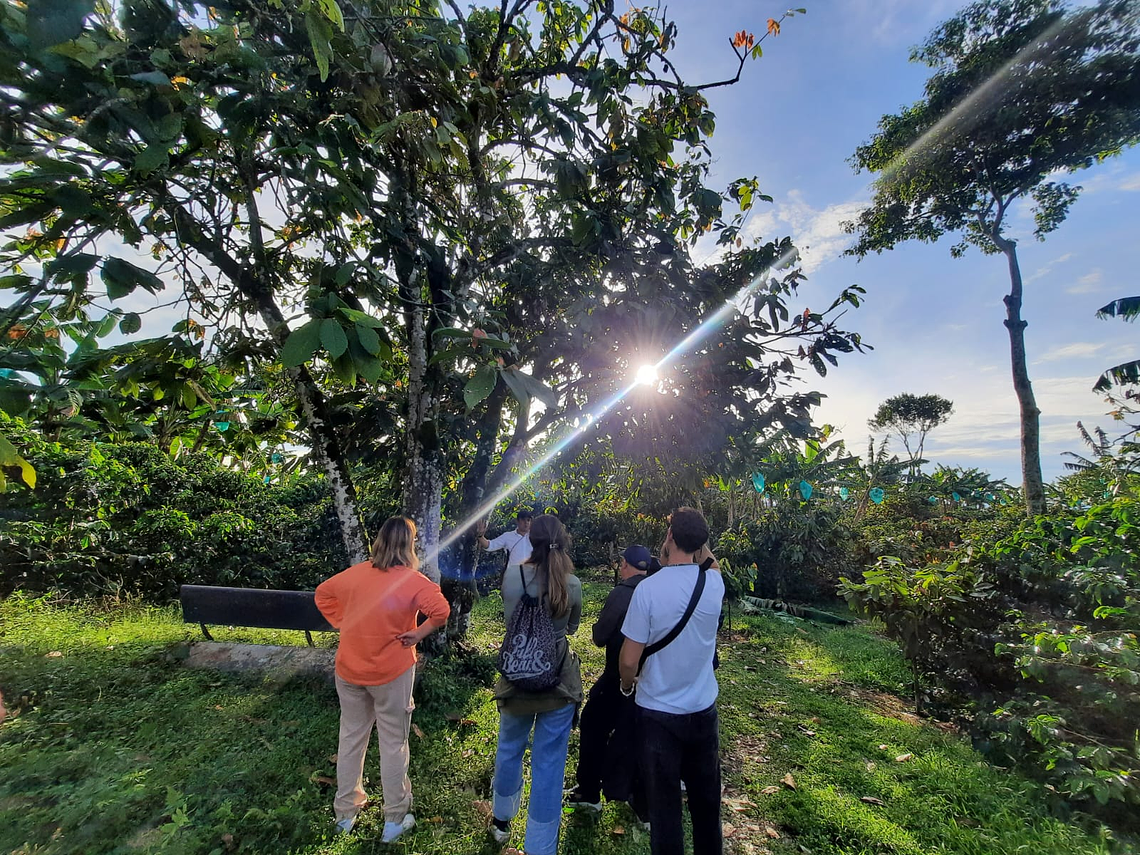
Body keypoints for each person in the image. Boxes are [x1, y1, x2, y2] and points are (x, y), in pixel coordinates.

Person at [315, 516, 450, 842]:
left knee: (351, 738)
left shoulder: (355, 575)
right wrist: (417, 634)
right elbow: (441, 611)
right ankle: (394, 819)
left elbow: (322, 594)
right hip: (392, 673)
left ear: (379, 541)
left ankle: (345, 814)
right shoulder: (414, 581)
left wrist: (345, 623)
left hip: (349, 670)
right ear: (410, 544)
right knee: (393, 742)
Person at [619, 507, 726, 855]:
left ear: (669, 538)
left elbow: (629, 660)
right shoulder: (713, 582)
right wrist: (696, 540)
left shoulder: (648, 590)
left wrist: (626, 685)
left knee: (666, 811)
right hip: (703, 711)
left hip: (658, 714)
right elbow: (710, 560)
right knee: (707, 806)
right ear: (700, 543)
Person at [489, 513, 583, 855]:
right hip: (557, 683)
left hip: (516, 679)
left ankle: (501, 821)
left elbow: (510, 617)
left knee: (509, 747)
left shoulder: (513, 577)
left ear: (532, 540)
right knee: (549, 763)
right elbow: (571, 629)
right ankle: (540, 846)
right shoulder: (572, 585)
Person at [565, 545, 653, 822]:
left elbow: (600, 636)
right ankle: (642, 805)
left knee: (593, 724)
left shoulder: (622, 593)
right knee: (641, 737)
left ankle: (590, 792)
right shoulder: (657, 591)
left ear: (624, 565)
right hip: (651, 680)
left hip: (618, 676)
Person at [477, 510, 533, 580]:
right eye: (523, 520)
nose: (526, 523)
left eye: (528, 520)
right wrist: (480, 536)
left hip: (532, 577)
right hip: (513, 577)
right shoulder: (508, 536)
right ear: (517, 521)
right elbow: (490, 545)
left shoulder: (536, 537)